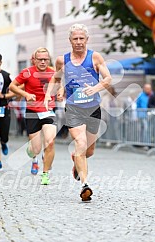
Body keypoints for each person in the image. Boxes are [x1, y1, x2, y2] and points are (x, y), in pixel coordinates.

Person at [45, 24, 112, 201]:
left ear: (87, 40)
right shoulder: (62, 60)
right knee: (80, 142)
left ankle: (76, 161)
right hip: (74, 108)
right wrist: (51, 93)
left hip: (93, 108)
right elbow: (56, 78)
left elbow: (108, 78)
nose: (79, 42)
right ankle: (85, 186)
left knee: (89, 151)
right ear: (70, 41)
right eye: (75, 39)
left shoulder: (95, 57)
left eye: (82, 38)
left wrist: (96, 88)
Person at [9, 47, 60, 185]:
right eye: (40, 59)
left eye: (45, 59)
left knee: (50, 142)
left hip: (48, 110)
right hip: (32, 112)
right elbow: (12, 86)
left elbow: (60, 85)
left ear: (48, 60)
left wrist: (60, 93)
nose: (43, 62)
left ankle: (45, 173)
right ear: (35, 60)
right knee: (36, 149)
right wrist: (26, 95)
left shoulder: (53, 72)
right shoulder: (27, 72)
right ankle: (32, 153)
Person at [0, 52, 15, 171]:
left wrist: (4, 96)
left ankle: (4, 142)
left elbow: (14, 91)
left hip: (4, 110)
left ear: (0, 62)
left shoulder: (6, 76)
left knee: (4, 135)